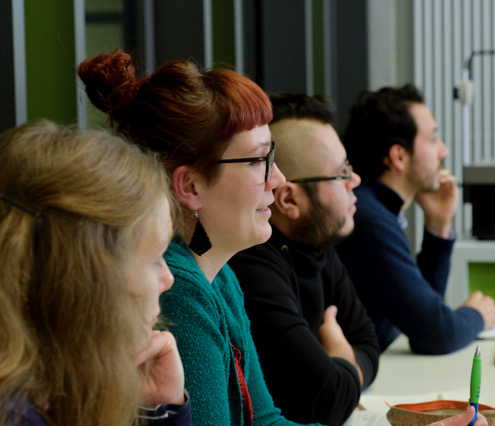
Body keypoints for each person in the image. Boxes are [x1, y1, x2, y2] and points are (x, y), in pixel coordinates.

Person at [78, 51, 319, 426]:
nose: (279, 179)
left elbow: (265, 421)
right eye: (258, 161)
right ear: (190, 185)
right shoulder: (178, 290)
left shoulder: (217, 273)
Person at [0, 120, 190, 425]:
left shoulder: (54, 383)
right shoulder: (16, 415)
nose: (168, 279)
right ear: (90, 277)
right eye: (155, 259)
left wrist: (158, 406)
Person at [228, 94, 379, 426]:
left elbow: (369, 344)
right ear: (288, 199)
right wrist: (340, 349)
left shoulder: (316, 244)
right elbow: (329, 400)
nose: (355, 181)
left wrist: (343, 369)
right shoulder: (249, 267)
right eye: (341, 174)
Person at [336, 84, 495, 355]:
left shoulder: (375, 208)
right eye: (433, 138)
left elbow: (421, 317)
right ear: (398, 156)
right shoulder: (368, 218)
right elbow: (435, 334)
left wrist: (438, 226)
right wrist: (477, 315)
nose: (444, 151)